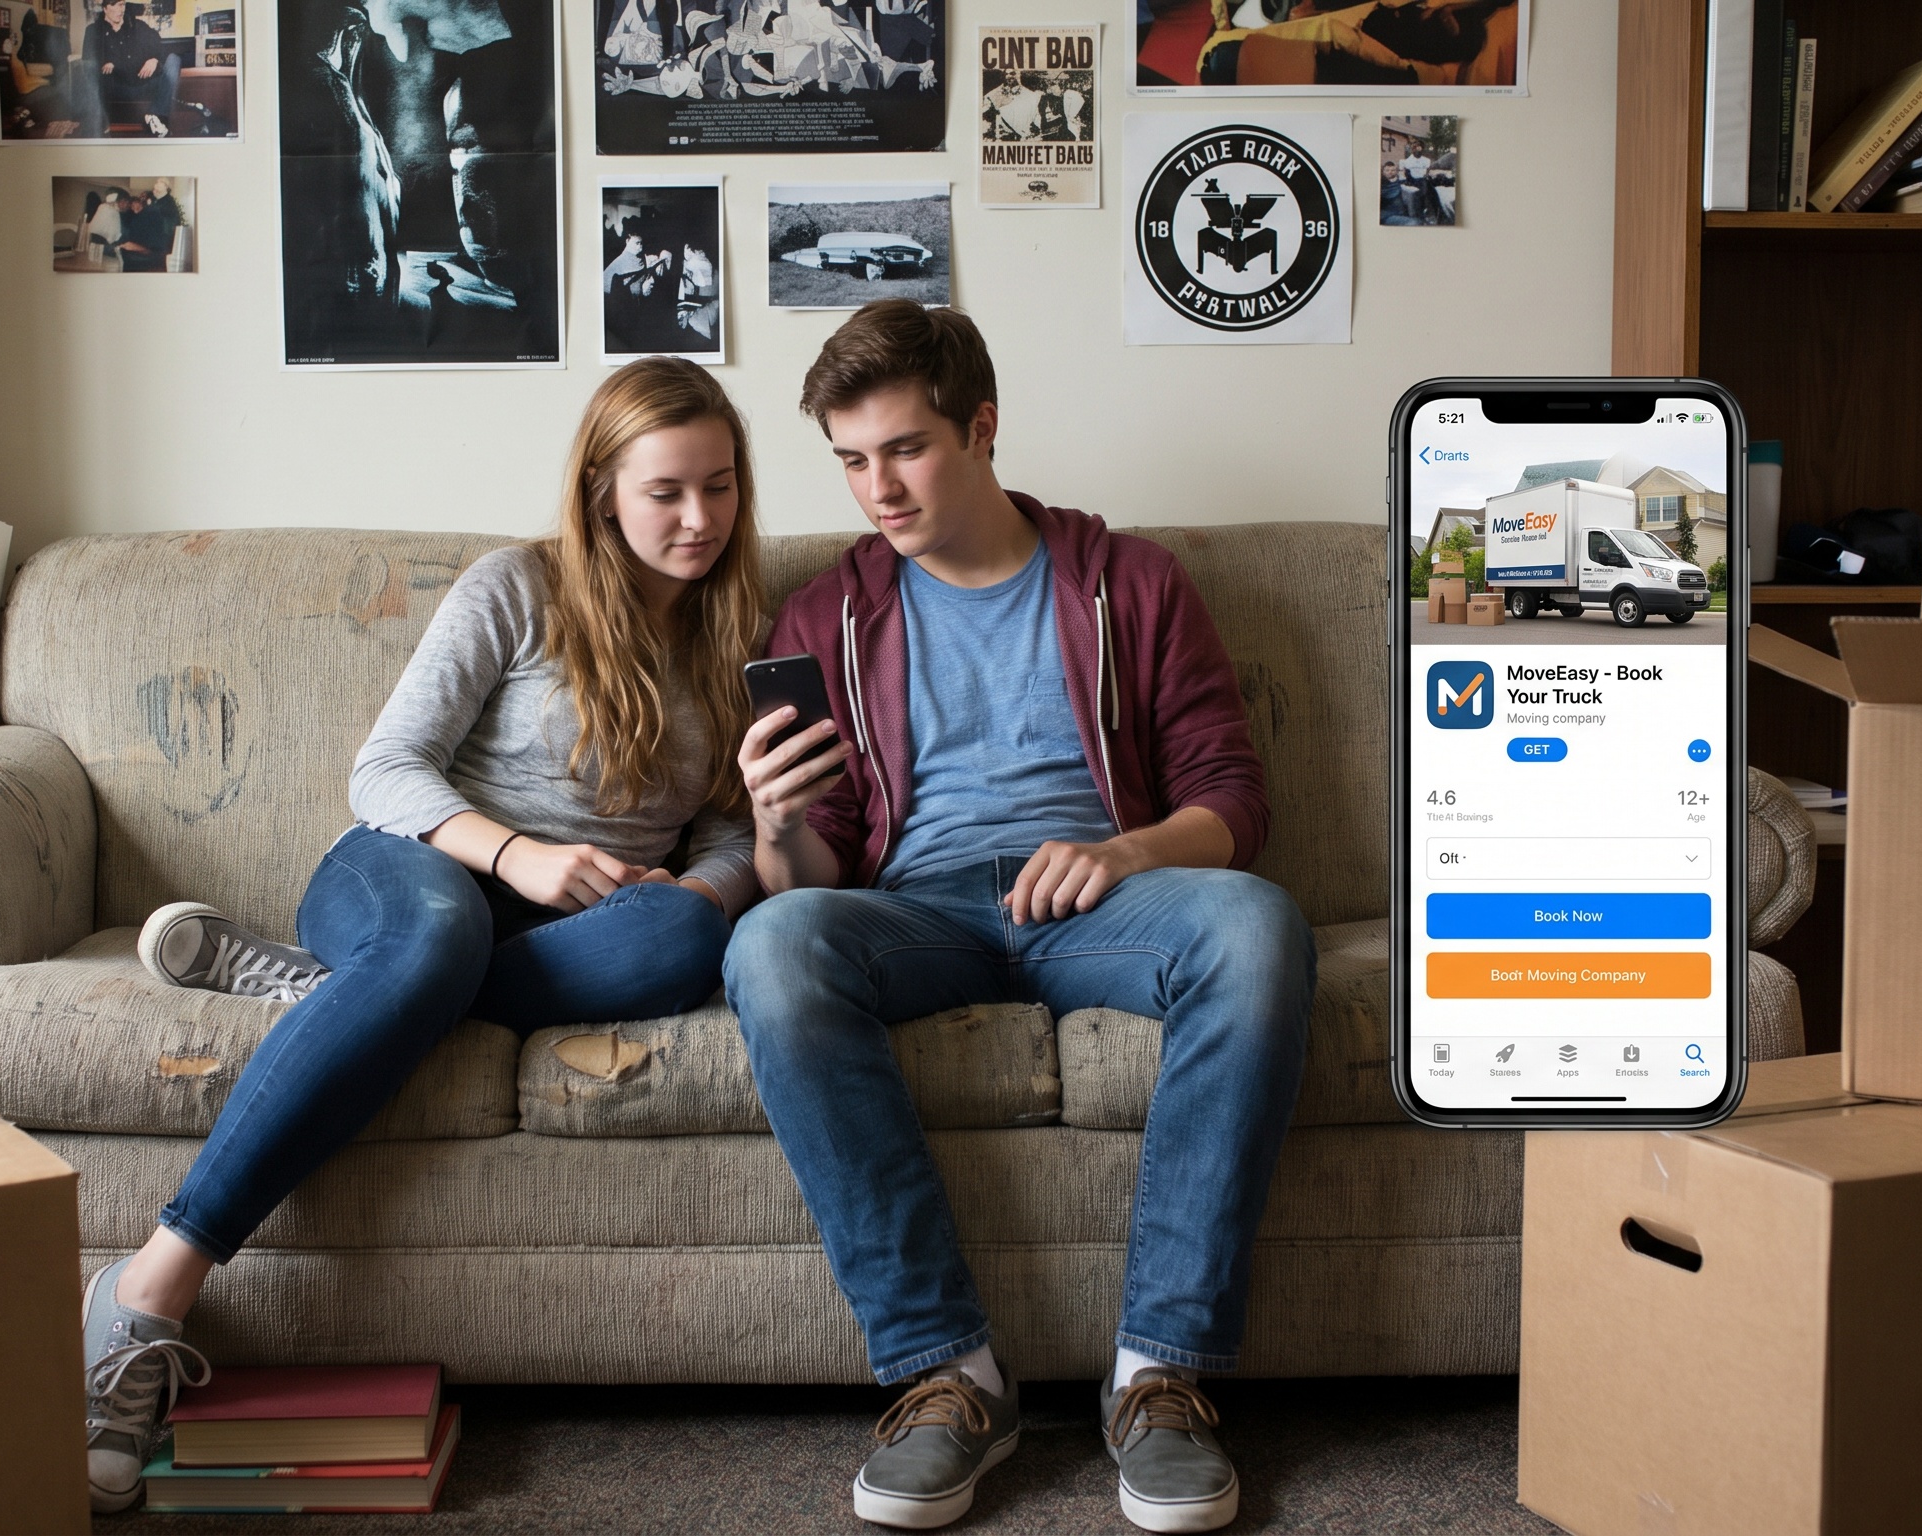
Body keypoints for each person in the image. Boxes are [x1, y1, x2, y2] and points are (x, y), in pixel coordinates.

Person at [79, 358, 772, 1513]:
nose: (697, 518)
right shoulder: (519, 588)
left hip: (585, 930)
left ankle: (336, 1000)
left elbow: (732, 830)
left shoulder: (739, 632)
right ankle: (147, 1290)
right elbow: (382, 771)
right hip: (417, 871)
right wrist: (517, 854)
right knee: (438, 940)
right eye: (664, 491)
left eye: (720, 485)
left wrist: (707, 891)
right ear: (603, 490)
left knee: (683, 948)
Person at [724, 300, 1311, 1534]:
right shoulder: (823, 618)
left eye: (903, 449)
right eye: (848, 459)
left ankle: (1160, 1377)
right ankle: (948, 1377)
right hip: (914, 910)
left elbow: (1232, 799)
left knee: (1255, 928)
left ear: (981, 428)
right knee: (770, 942)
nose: (875, 488)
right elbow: (815, 880)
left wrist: (1120, 851)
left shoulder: (1130, 583)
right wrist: (776, 827)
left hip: (1103, 902)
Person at [82, 0, 183, 136]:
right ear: (105, 8)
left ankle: (155, 116)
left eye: (123, 4)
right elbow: (88, 62)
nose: (121, 9)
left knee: (174, 59)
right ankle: (98, 121)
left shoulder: (138, 26)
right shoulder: (93, 31)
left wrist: (154, 60)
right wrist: (117, 65)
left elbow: (161, 46)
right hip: (116, 88)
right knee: (91, 68)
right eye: (116, 5)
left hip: (143, 83)